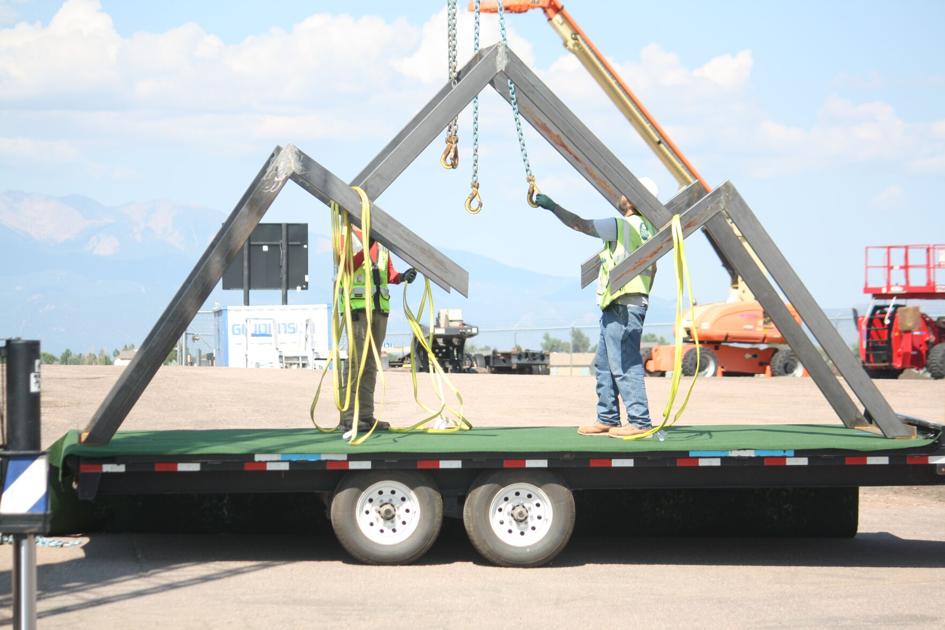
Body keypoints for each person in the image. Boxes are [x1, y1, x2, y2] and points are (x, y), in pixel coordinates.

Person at [535, 191, 657, 437]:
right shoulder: (648, 228)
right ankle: (608, 417)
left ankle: (640, 421)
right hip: (624, 302)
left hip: (622, 303)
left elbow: (580, 224)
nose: (621, 196)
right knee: (604, 364)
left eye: (625, 192)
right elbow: (654, 268)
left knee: (624, 363)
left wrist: (553, 206)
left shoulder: (620, 226)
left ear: (635, 199)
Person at [338, 227, 417, 434]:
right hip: (357, 310)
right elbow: (344, 267)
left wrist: (401, 277)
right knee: (356, 362)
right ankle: (349, 418)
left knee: (371, 363)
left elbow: (386, 272)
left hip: (379, 310)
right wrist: (366, 246)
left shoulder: (381, 242)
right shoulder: (347, 235)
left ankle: (365, 416)